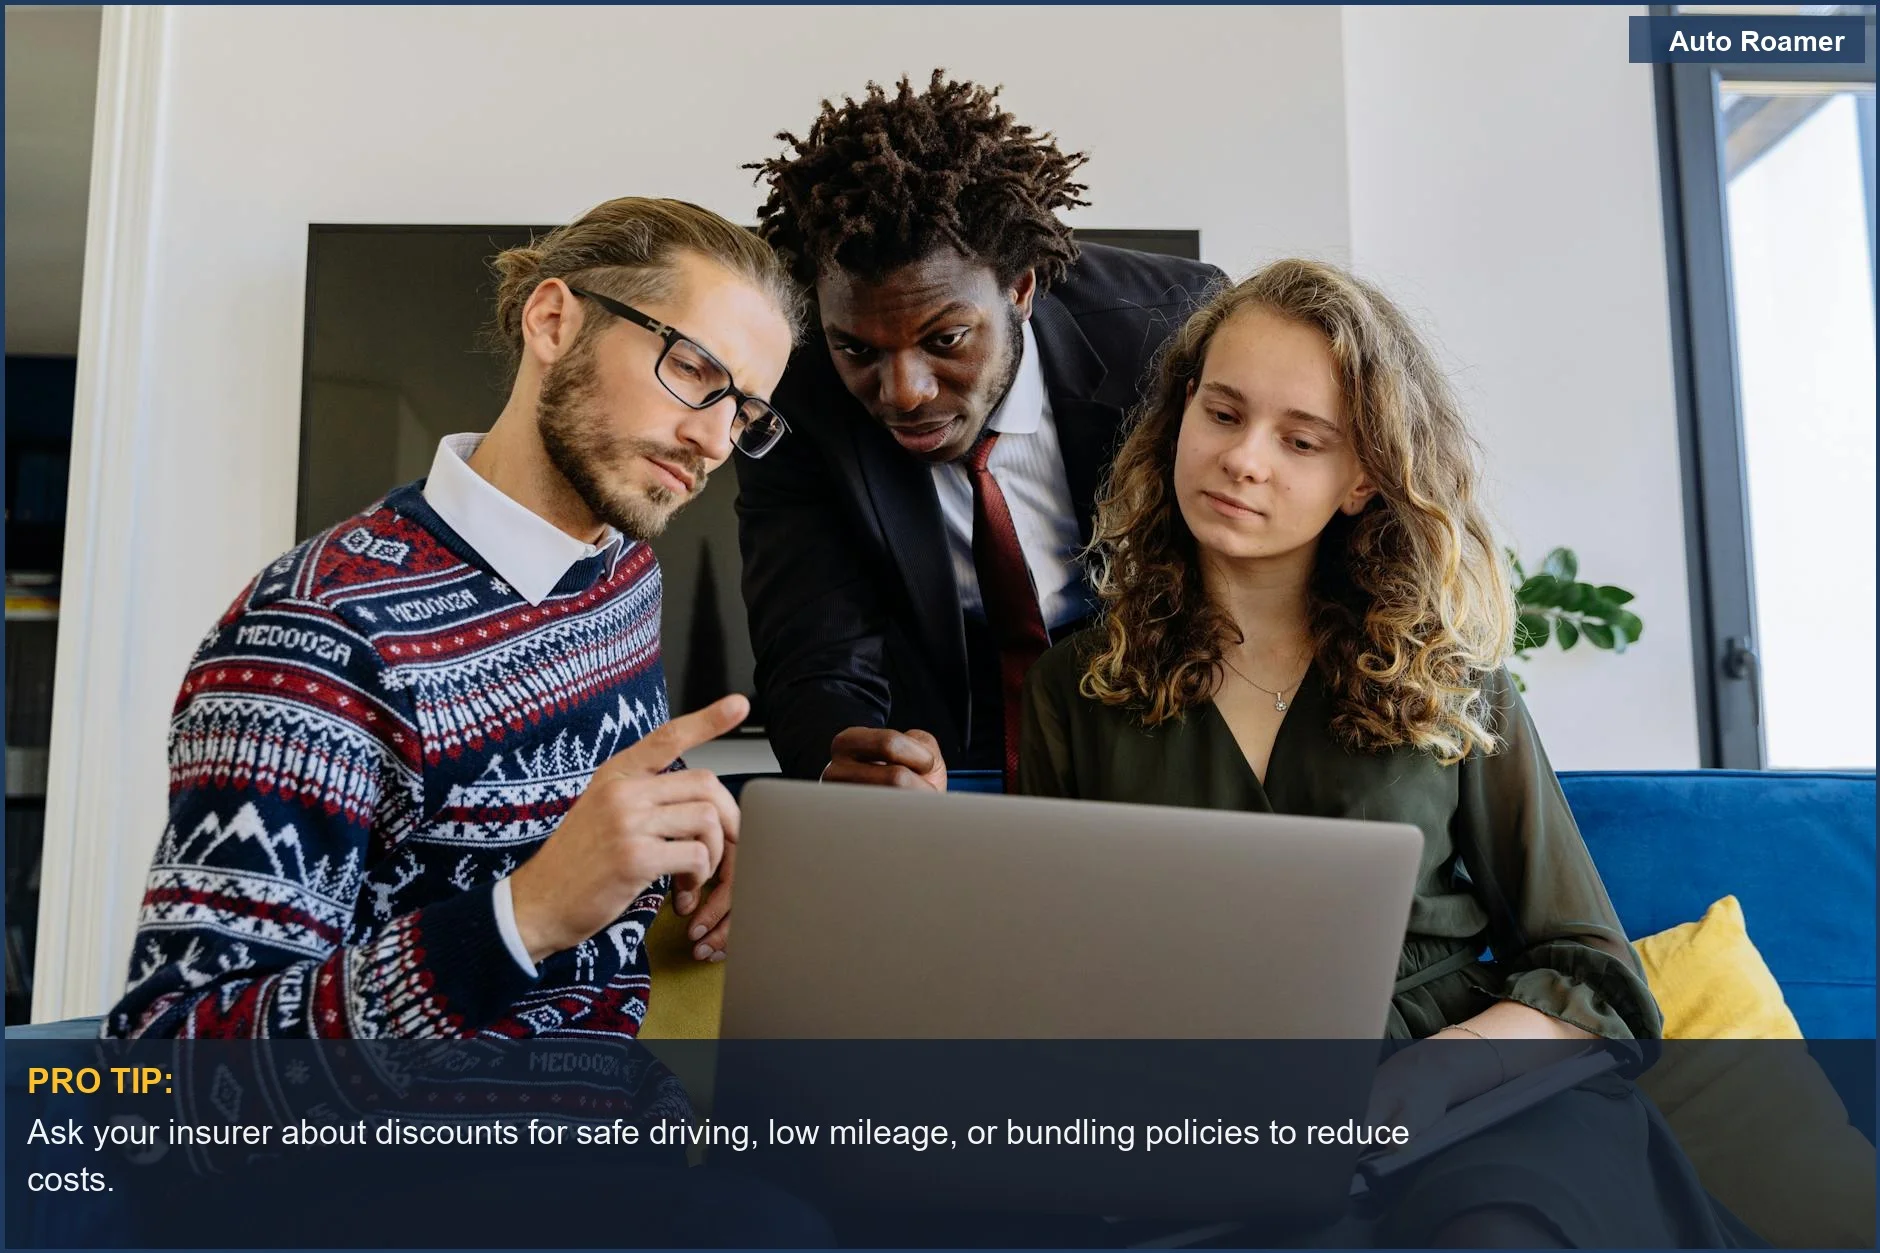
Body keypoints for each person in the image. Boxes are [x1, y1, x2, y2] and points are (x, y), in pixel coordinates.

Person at [1019, 259, 1734, 1246]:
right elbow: (1051, 977)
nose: (1242, 459)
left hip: (1481, 1108)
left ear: (1360, 476)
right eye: (1221, 414)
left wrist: (1429, 1072)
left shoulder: (1453, 681)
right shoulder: (1075, 688)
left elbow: (1593, 973)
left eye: (1298, 439)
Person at [106, 197, 801, 1040]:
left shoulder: (623, 573)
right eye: (694, 369)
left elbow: (584, 820)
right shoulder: (310, 639)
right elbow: (166, 1075)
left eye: (747, 412)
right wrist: (526, 914)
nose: (717, 440)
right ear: (552, 321)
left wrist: (705, 845)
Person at [739, 71, 1221, 790]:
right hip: (944, 746)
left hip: (1162, 726)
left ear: (1020, 289)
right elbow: (815, 651)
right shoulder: (792, 385)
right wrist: (851, 761)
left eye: (947, 338)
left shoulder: (1168, 330)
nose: (904, 393)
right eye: (858, 350)